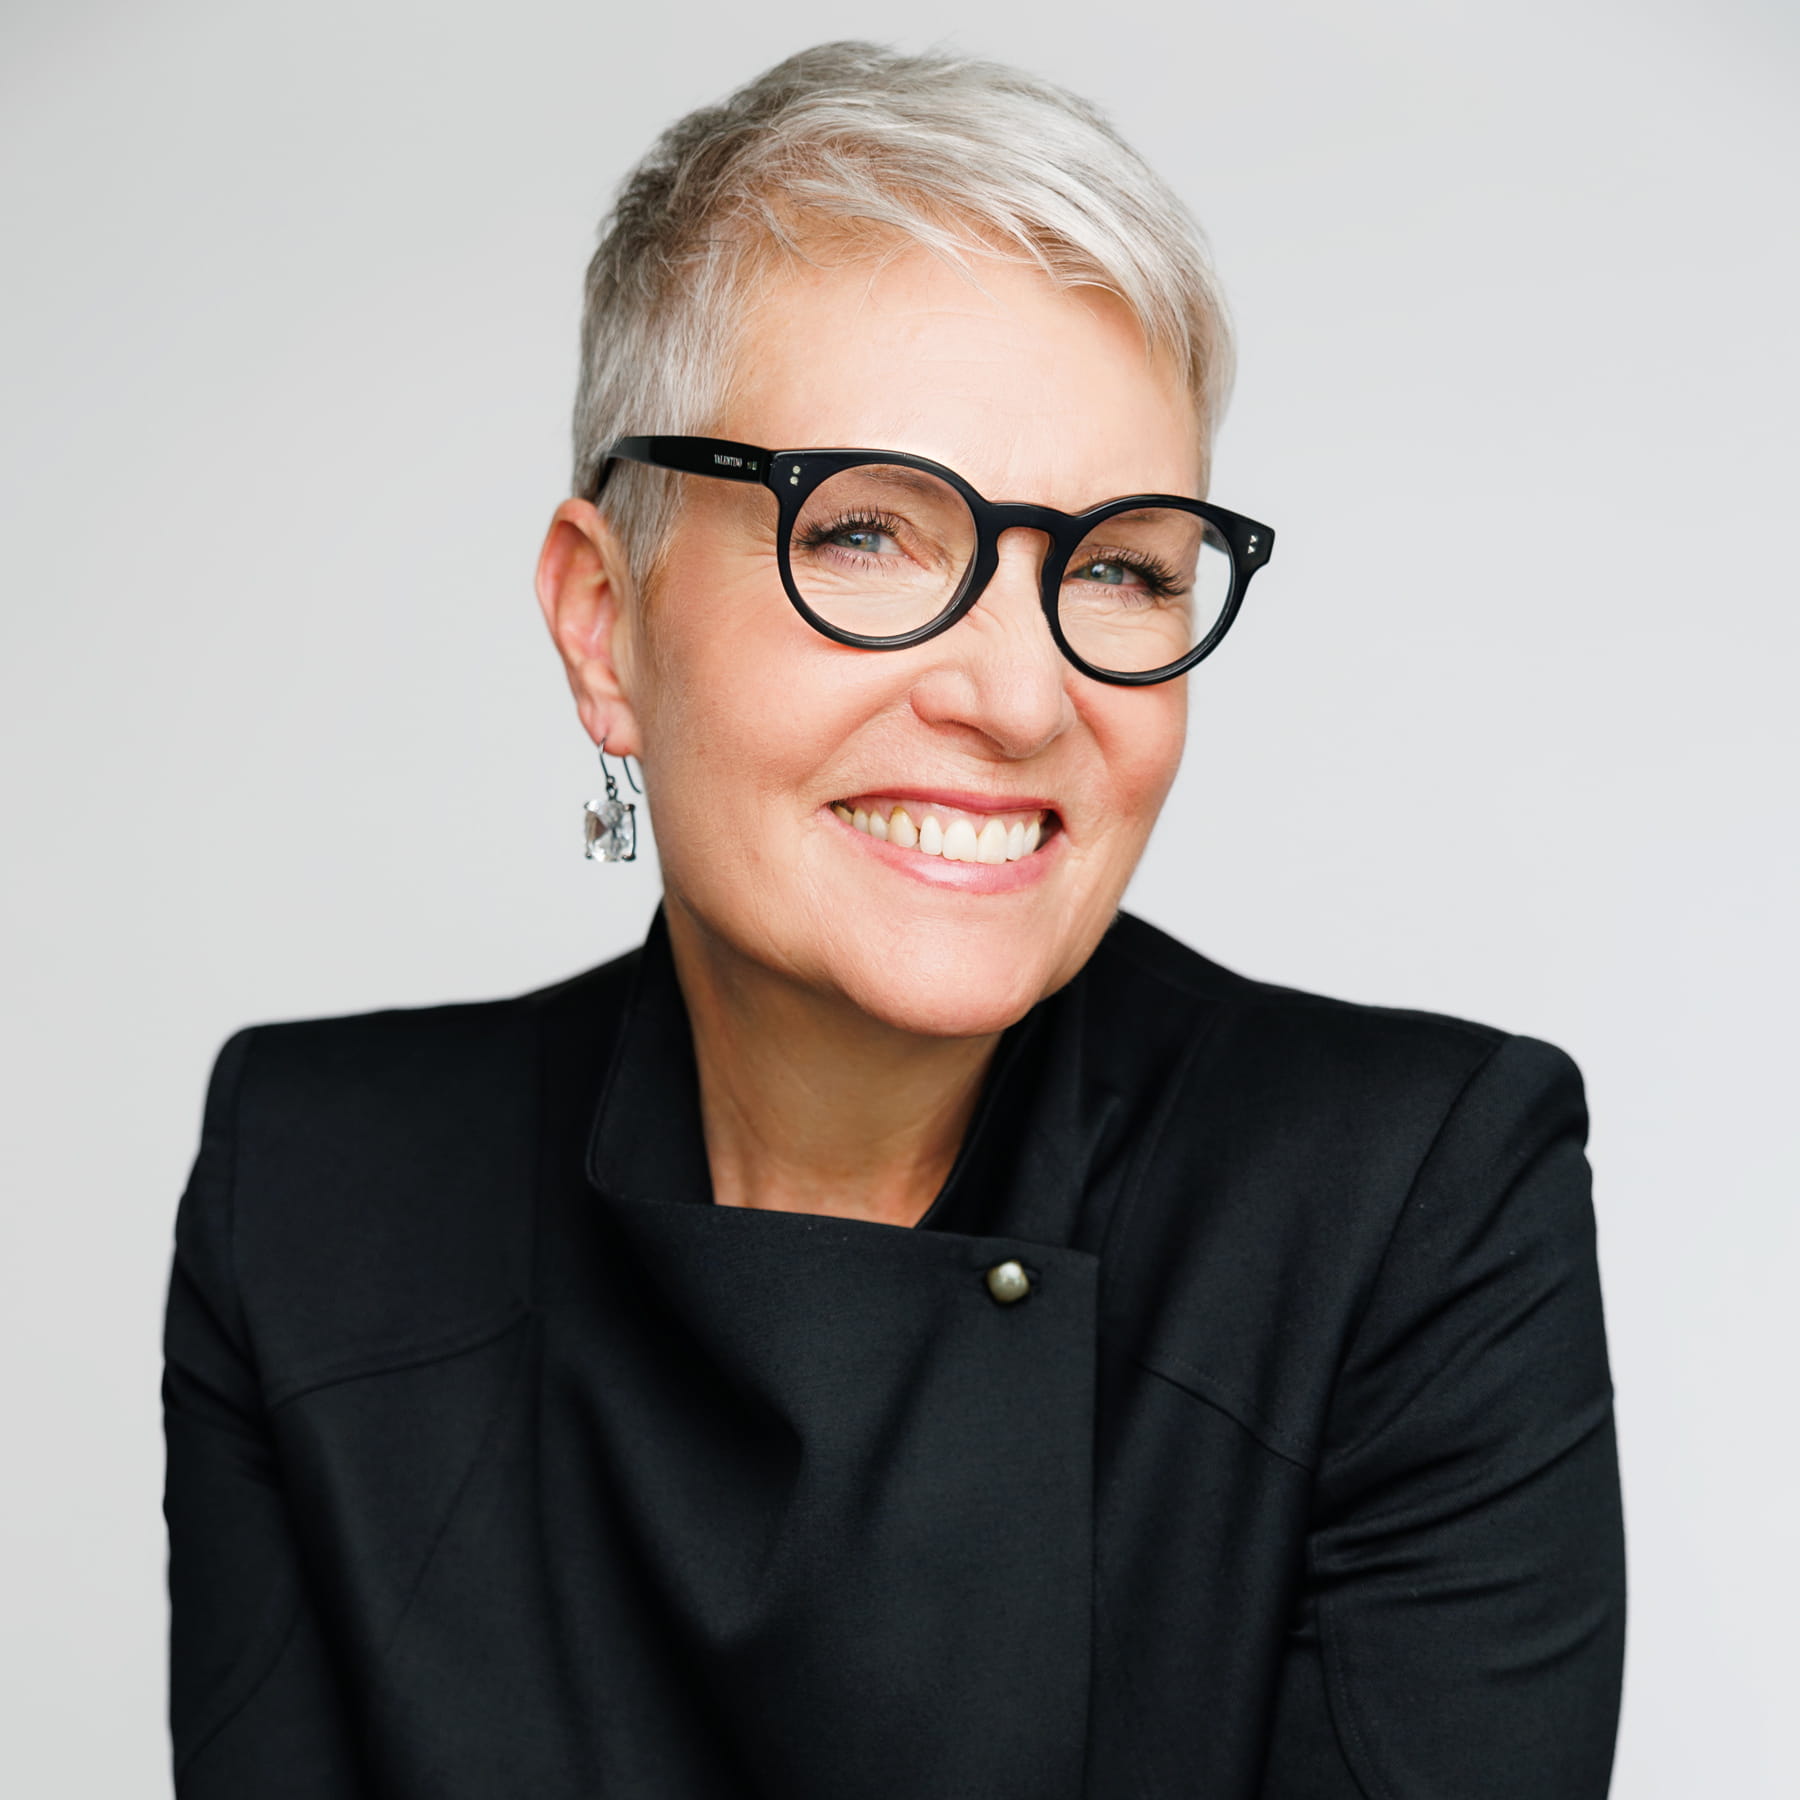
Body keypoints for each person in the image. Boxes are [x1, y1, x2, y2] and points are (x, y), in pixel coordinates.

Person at [160, 40, 1626, 1799]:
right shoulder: (315, 1198)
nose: (1020, 696)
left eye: (1119, 566)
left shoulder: (1408, 1206)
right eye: (866, 535)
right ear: (600, 621)